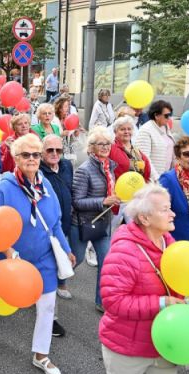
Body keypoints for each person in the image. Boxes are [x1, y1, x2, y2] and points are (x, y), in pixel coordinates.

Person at [0, 134, 75, 374]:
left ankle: (41, 354)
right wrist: (8, 251)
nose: (32, 159)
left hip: (44, 257)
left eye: (36, 154)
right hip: (13, 258)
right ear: (15, 158)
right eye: (26, 155)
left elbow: (54, 223)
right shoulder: (5, 186)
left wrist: (66, 250)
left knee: (47, 306)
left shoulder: (45, 184)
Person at [82, 185, 182, 374]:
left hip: (163, 342)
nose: (173, 214)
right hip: (127, 344)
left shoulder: (169, 243)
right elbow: (114, 302)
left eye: (170, 207)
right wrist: (162, 303)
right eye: (165, 209)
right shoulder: (124, 252)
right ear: (145, 219)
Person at [72, 127, 118, 312]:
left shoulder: (109, 167)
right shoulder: (84, 170)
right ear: (91, 148)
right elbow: (77, 201)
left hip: (103, 223)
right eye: (101, 144)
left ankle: (101, 301)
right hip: (82, 223)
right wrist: (103, 201)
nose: (106, 147)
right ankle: (56, 283)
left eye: (108, 143)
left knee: (106, 263)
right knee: (76, 259)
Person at [39, 135, 74, 301]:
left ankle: (60, 282)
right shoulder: (37, 170)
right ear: (42, 152)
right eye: (50, 150)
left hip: (65, 221)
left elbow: (70, 189)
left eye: (58, 150)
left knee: (71, 255)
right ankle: (43, 293)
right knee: (48, 262)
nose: (55, 153)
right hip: (46, 225)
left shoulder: (67, 165)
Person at [108, 116, 155, 182]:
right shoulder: (110, 148)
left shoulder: (137, 151)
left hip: (138, 189)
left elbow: (147, 171)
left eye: (129, 129)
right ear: (115, 132)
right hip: (118, 189)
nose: (126, 132)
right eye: (122, 129)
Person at [134, 100, 175, 175]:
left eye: (170, 115)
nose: (169, 118)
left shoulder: (165, 127)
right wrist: (157, 179)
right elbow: (144, 159)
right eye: (166, 115)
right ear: (156, 115)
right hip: (154, 180)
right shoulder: (146, 130)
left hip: (167, 176)